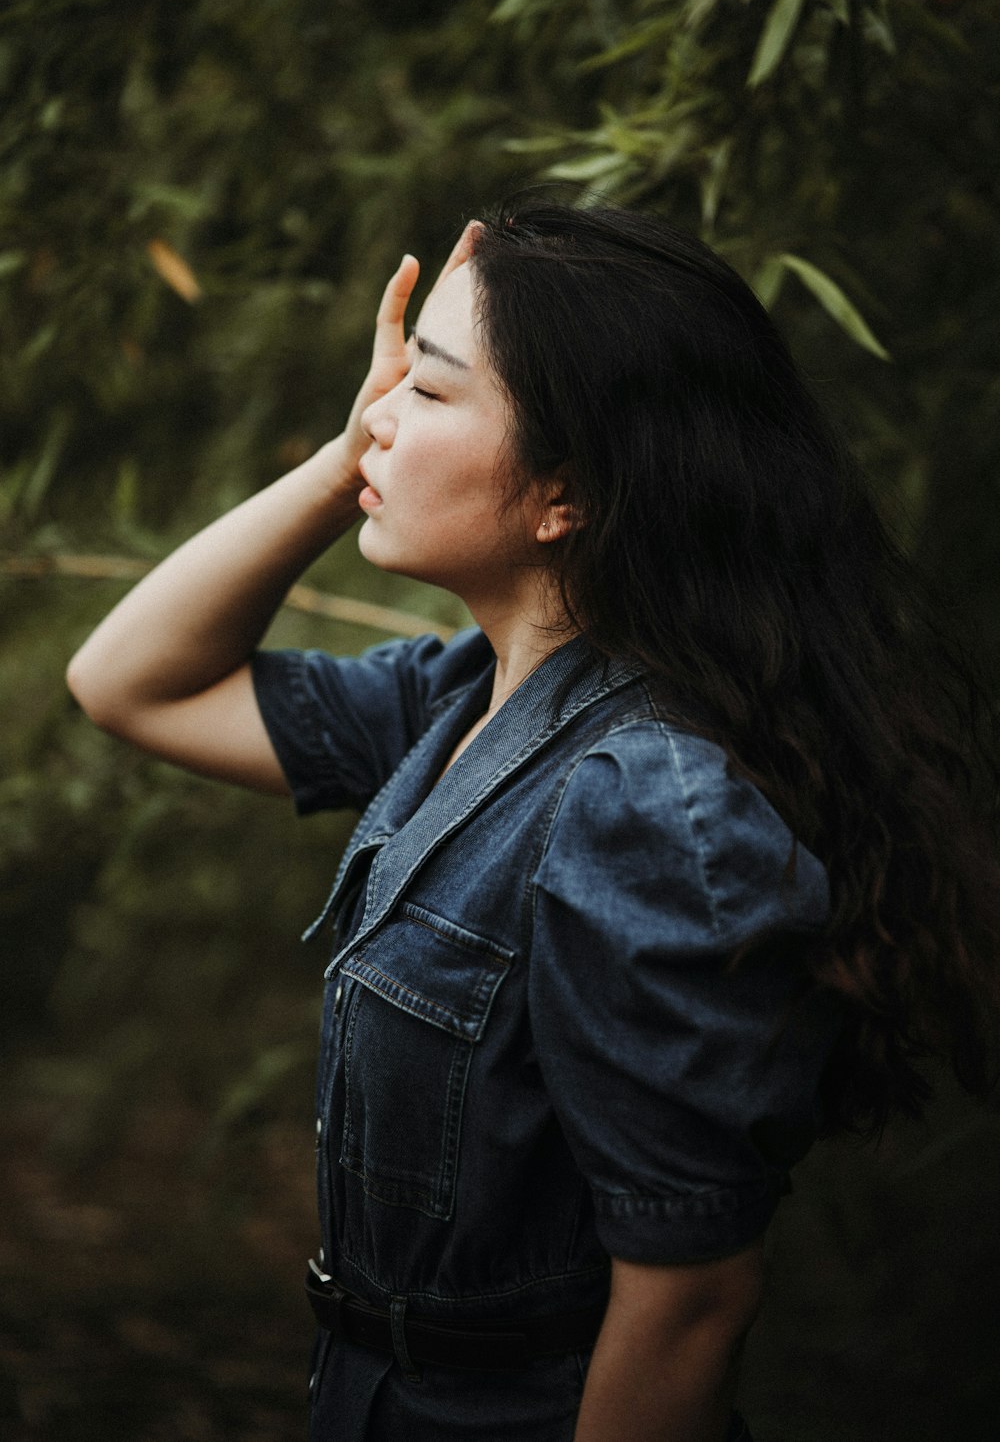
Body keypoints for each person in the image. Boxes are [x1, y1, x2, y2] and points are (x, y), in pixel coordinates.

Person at [67, 200, 1000, 1442]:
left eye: (431, 393)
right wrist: (343, 453)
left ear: (562, 495)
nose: (380, 416)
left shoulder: (645, 805)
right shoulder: (461, 695)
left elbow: (689, 1303)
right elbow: (130, 682)